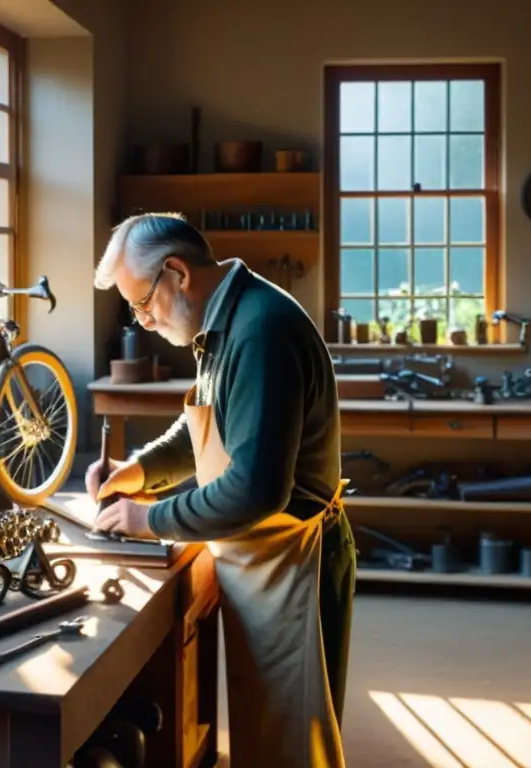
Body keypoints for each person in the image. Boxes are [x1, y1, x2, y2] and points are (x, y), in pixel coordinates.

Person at [86, 212, 356, 767]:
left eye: (142, 304)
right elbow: (202, 426)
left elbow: (256, 491)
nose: (143, 320)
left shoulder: (261, 332)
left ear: (177, 274)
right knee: (267, 735)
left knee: (297, 748)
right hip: (263, 559)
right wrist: (135, 472)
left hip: (295, 562)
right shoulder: (224, 319)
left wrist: (150, 519)